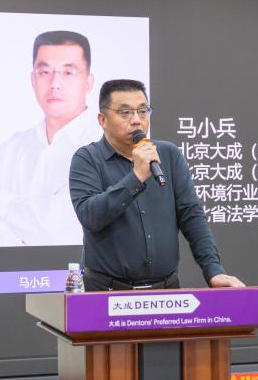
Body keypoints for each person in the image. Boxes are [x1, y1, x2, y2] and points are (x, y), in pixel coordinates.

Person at [69, 79, 245, 290]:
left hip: (166, 291)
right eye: (125, 113)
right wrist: (136, 177)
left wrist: (213, 270)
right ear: (103, 119)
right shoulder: (87, 159)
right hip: (107, 292)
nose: (136, 120)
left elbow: (192, 215)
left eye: (143, 111)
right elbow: (90, 216)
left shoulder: (168, 155)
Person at [0, 31, 102, 246]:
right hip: (17, 267)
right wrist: (18, 248)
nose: (55, 83)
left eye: (67, 72)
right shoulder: (14, 147)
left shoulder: (105, 145)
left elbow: (62, 223)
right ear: (33, 80)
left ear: (88, 82)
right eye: (44, 72)